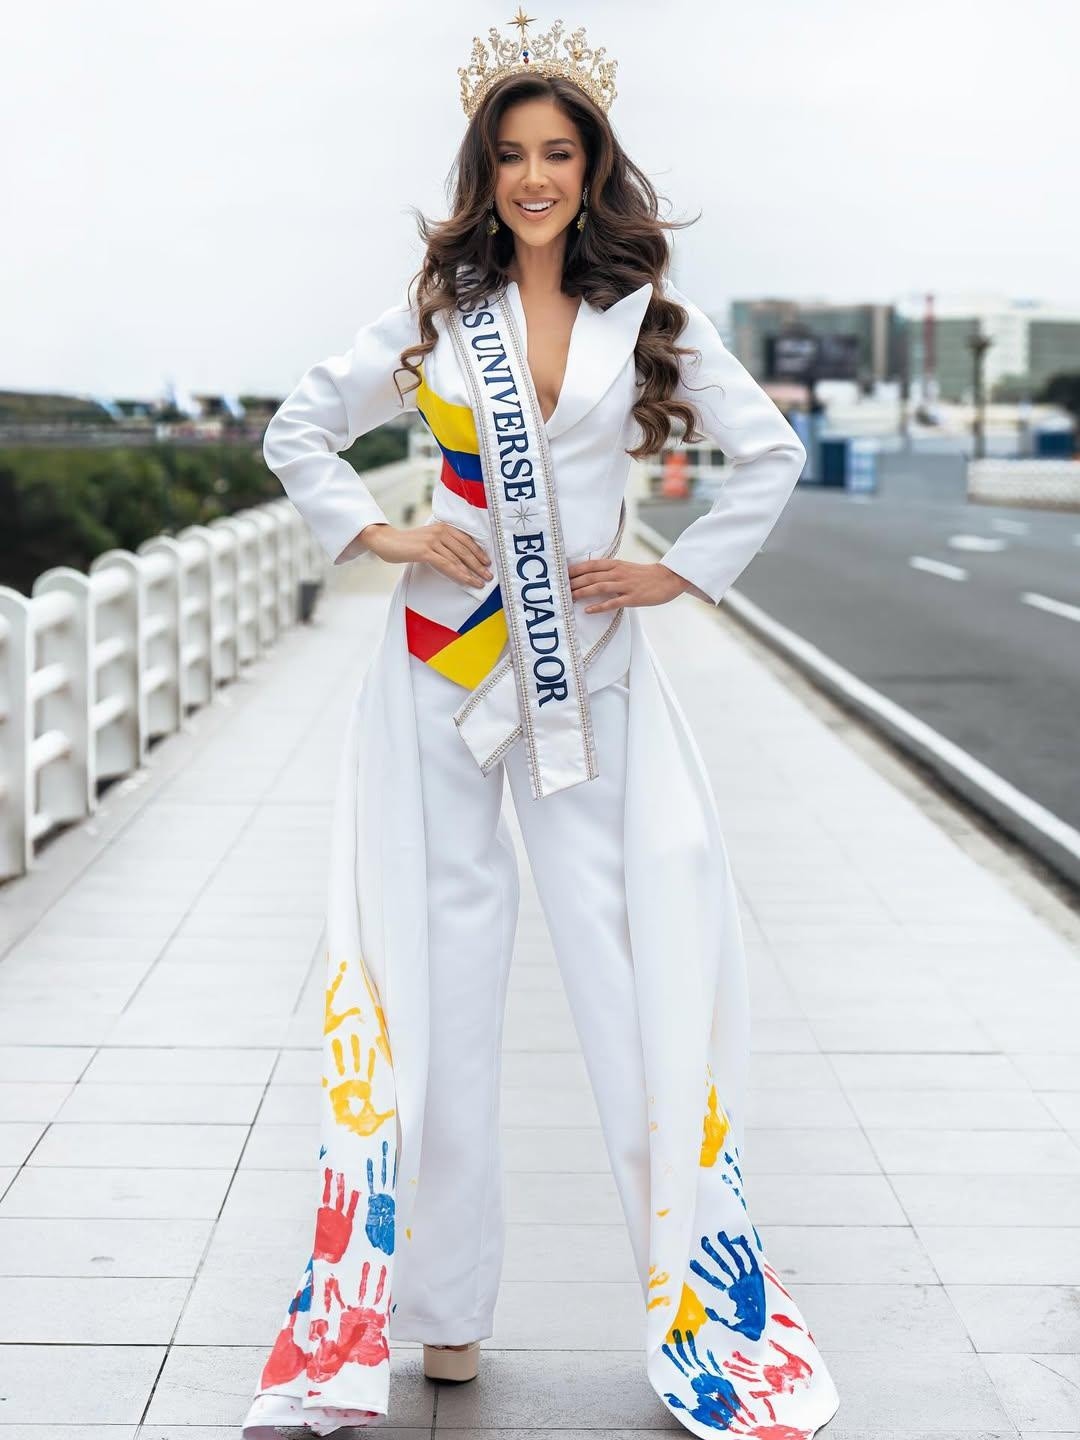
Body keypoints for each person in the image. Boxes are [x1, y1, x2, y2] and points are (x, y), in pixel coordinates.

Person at [242, 14, 840, 1440]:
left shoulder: (650, 322)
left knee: (635, 970)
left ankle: (691, 1302)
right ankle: (439, 1313)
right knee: (438, 980)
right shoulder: (438, 316)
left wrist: (678, 569)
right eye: (510, 155)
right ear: (484, 168)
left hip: (594, 675)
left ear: (593, 169)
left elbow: (767, 454)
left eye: (557, 153)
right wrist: (385, 538)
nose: (532, 177)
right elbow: (296, 431)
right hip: (445, 672)